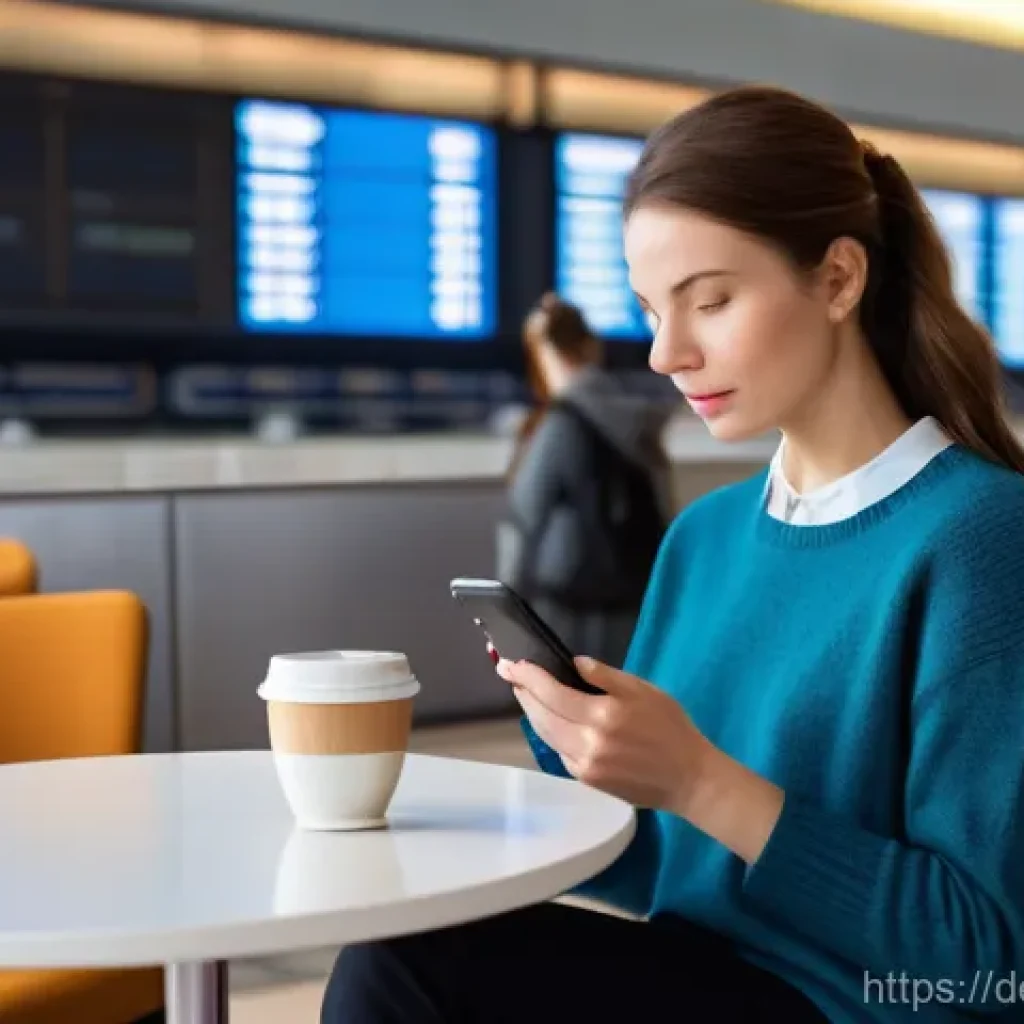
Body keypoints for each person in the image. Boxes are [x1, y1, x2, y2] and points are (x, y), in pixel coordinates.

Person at [321, 85, 1024, 1024]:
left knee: (406, 977)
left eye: (712, 302)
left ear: (839, 281)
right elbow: (662, 865)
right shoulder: (708, 537)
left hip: (856, 1009)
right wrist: (584, 746)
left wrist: (699, 777)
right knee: (401, 944)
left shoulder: (982, 540)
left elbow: (988, 965)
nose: (665, 353)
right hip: (702, 975)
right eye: (652, 310)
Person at [495, 292, 675, 668]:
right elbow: (663, 504)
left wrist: (505, 609)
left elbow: (523, 517)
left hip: (567, 605)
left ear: (543, 354)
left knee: (563, 711)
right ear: (591, 347)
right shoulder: (638, 420)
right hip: (635, 594)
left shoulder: (561, 423)